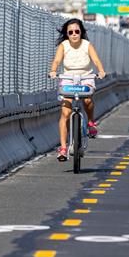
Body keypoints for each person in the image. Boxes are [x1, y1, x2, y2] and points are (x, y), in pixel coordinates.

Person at [49, 19, 106, 161]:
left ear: (81, 32)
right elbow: (56, 61)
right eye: (70, 32)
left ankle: (91, 122)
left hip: (86, 77)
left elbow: (97, 61)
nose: (74, 34)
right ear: (67, 34)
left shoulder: (87, 45)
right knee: (65, 112)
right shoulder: (63, 45)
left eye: (77, 31)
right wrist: (53, 71)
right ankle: (63, 148)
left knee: (87, 100)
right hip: (68, 78)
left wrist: (101, 71)